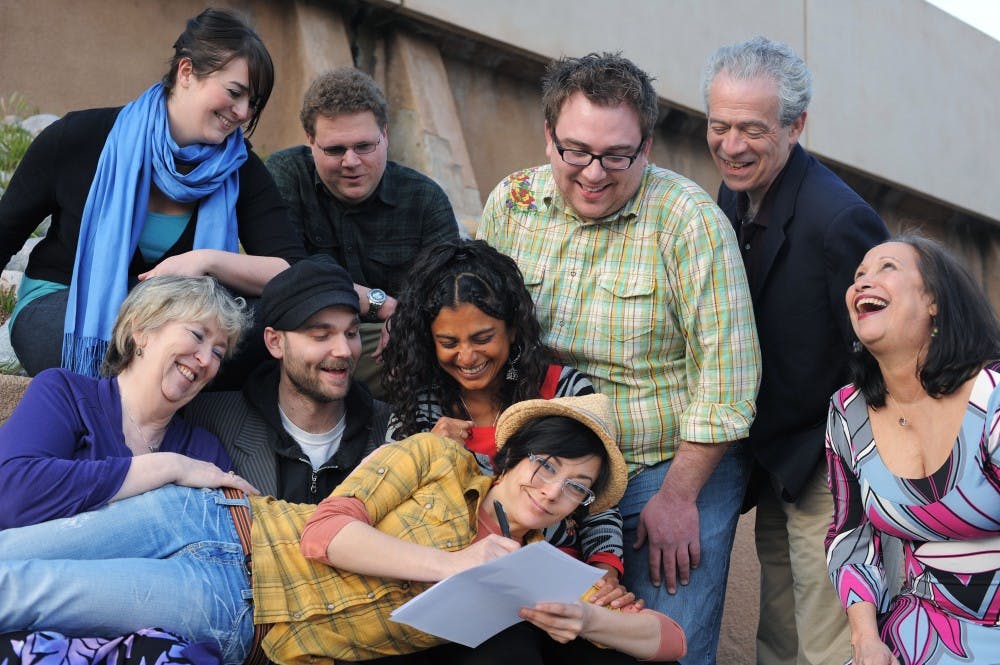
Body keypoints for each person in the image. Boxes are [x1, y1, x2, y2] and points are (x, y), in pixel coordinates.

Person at [0, 394, 686, 665]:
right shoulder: (439, 458)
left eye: (576, 487)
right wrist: (453, 564)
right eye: (546, 464)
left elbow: (671, 640)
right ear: (512, 455)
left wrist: (581, 618)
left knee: (31, 592)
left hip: (234, 609)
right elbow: (327, 532)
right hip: (220, 519)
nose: (553, 490)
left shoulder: (537, 573)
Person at [478, 52, 760, 663]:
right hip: (545, 469)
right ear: (547, 136)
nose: (594, 173)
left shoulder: (688, 223)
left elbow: (729, 381)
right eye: (575, 151)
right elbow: (479, 327)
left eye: (616, 156)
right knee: (533, 636)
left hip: (664, 467)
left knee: (662, 646)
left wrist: (680, 498)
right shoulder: (512, 203)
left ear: (647, 147)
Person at [701, 36, 889, 664]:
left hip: (832, 460)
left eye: (751, 129)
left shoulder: (841, 220)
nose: (731, 145)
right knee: (778, 628)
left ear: (796, 124)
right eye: (719, 125)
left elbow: (883, 354)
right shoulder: (733, 189)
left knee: (828, 637)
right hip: (776, 455)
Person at [0, 8, 306, 379]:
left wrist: (204, 261)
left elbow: (289, 270)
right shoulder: (80, 138)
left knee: (275, 327)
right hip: (67, 304)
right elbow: (5, 233)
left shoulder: (241, 168)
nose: (242, 112)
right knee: (143, 351)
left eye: (253, 102)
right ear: (187, 72)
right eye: (235, 92)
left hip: (184, 320)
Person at [381, 240, 628, 614]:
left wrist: (603, 571)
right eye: (449, 343)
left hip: (562, 581)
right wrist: (425, 450)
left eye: (483, 338)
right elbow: (388, 503)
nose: (467, 357)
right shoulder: (419, 406)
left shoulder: (563, 390)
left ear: (512, 330)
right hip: (460, 588)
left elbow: (598, 497)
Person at [826, 236, 1000, 665]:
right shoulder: (848, 413)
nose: (863, 283)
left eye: (887, 267)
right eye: (858, 276)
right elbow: (851, 537)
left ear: (934, 301)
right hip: (919, 629)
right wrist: (866, 639)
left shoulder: (992, 399)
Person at [0, 275, 258, 529]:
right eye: (197, 335)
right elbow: (12, 496)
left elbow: (230, 540)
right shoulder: (66, 395)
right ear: (142, 330)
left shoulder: (203, 450)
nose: (205, 360)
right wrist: (169, 467)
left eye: (217, 353)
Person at [266, 68, 460, 396]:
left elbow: (448, 293)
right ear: (310, 141)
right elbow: (286, 274)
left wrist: (405, 320)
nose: (351, 161)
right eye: (335, 150)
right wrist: (384, 306)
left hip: (397, 343)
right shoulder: (286, 175)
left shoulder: (425, 199)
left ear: (385, 135)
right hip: (308, 331)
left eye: (364, 146)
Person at [184, 256, 390, 502]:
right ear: (275, 342)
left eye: (351, 333)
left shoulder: (392, 430)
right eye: (322, 335)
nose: (344, 350)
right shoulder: (208, 421)